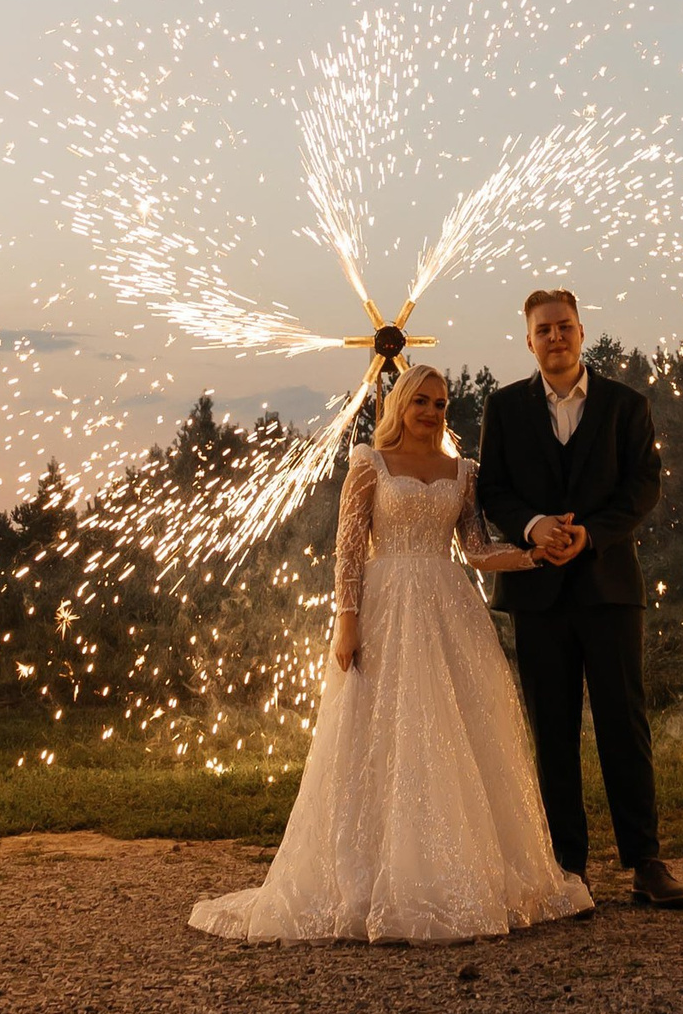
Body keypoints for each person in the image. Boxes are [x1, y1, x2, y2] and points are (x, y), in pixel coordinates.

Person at [187, 363, 592, 946]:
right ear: (399, 404)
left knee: (453, 734)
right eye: (421, 401)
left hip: (447, 608)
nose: (431, 412)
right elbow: (348, 550)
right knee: (380, 733)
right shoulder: (368, 464)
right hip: (384, 608)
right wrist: (346, 621)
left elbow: (475, 551)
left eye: (442, 403)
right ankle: (370, 874)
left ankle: (454, 869)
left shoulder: (464, 471)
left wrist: (533, 556)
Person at [476, 288, 683, 909]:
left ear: (581, 332)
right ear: (528, 339)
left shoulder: (628, 405)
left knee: (624, 723)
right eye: (543, 330)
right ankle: (568, 867)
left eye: (564, 327)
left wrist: (589, 535)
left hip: (609, 587)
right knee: (553, 729)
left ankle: (646, 863)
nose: (555, 337)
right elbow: (492, 488)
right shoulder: (504, 407)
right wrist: (535, 527)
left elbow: (643, 486)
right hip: (537, 592)